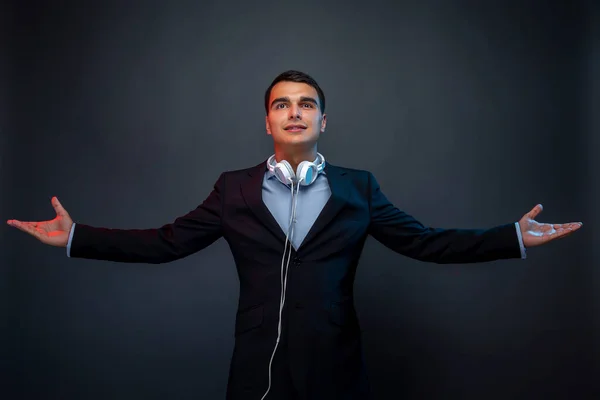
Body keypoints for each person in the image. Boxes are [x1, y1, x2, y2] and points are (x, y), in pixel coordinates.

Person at [7, 70, 583, 400]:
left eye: (307, 104)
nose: (295, 112)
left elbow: (423, 241)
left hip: (337, 364)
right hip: (257, 366)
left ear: (323, 121)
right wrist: (77, 235)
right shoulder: (233, 188)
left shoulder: (358, 187)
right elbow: (167, 242)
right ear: (267, 121)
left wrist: (512, 237)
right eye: (282, 104)